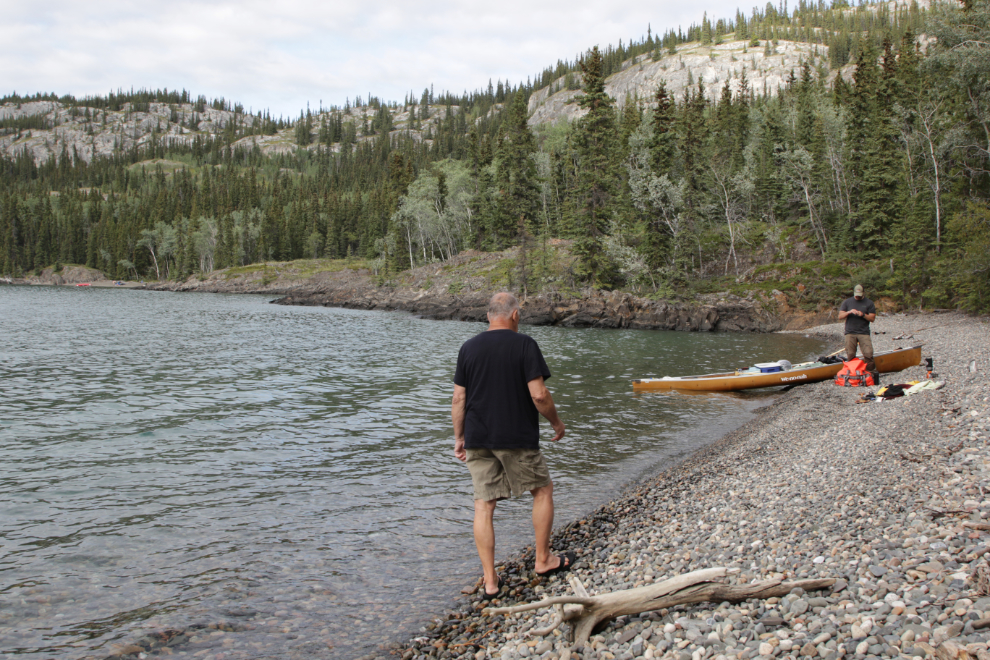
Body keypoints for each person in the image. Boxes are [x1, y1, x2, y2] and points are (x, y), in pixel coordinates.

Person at [451, 292, 574, 600]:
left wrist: (459, 437)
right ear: (515, 315)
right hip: (517, 437)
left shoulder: (468, 348)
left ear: (489, 315)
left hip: (478, 438)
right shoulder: (524, 345)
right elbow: (539, 395)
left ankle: (491, 581)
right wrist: (557, 424)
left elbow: (458, 399)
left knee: (483, 505)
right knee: (542, 490)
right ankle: (543, 560)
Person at [838, 284, 877, 374]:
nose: (857, 297)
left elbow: (872, 318)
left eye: (859, 295)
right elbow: (840, 316)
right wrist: (849, 312)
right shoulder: (847, 302)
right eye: (856, 295)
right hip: (850, 332)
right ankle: (853, 373)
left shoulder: (869, 303)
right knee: (850, 354)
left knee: (868, 354)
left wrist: (862, 314)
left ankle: (870, 373)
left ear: (863, 293)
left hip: (863, 332)